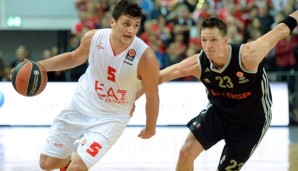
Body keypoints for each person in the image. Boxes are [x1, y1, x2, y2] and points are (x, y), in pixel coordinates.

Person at [18, 0, 160, 170]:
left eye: (136, 25)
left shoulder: (145, 57)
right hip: (80, 106)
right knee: (46, 164)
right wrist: (38, 66)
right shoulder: (93, 38)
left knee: (77, 168)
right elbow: (72, 58)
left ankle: (75, 162)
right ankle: (69, 159)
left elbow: (152, 95)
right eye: (126, 24)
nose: (131, 30)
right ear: (112, 22)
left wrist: (150, 127)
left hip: (111, 118)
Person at [156, 10, 298, 171]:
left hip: (251, 122)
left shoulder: (248, 55)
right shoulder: (197, 63)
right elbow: (158, 77)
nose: (208, 46)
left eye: (213, 40)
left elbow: (281, 30)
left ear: (225, 40)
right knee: (185, 153)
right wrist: (129, 98)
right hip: (219, 113)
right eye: (204, 40)